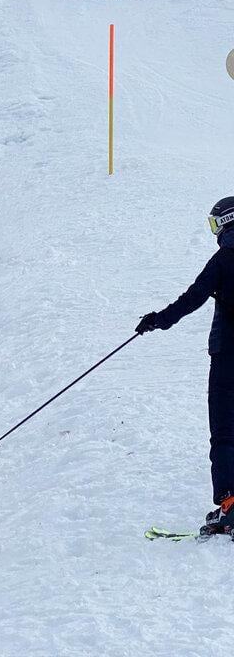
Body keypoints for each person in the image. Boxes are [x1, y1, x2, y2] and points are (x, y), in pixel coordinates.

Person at [136, 197, 234, 536]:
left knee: (224, 431)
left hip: (228, 356)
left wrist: (157, 321)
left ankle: (230, 505)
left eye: (214, 224)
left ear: (225, 222)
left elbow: (193, 298)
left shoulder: (223, 260)